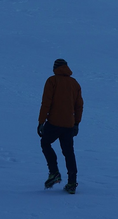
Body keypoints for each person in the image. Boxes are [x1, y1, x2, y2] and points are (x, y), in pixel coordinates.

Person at [37, 59, 84, 194]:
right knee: (69, 152)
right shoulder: (74, 83)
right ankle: (72, 183)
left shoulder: (52, 81)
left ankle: (54, 172)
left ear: (55, 68)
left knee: (45, 143)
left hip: (54, 122)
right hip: (69, 124)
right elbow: (79, 106)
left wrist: (41, 122)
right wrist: (76, 123)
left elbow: (46, 102)